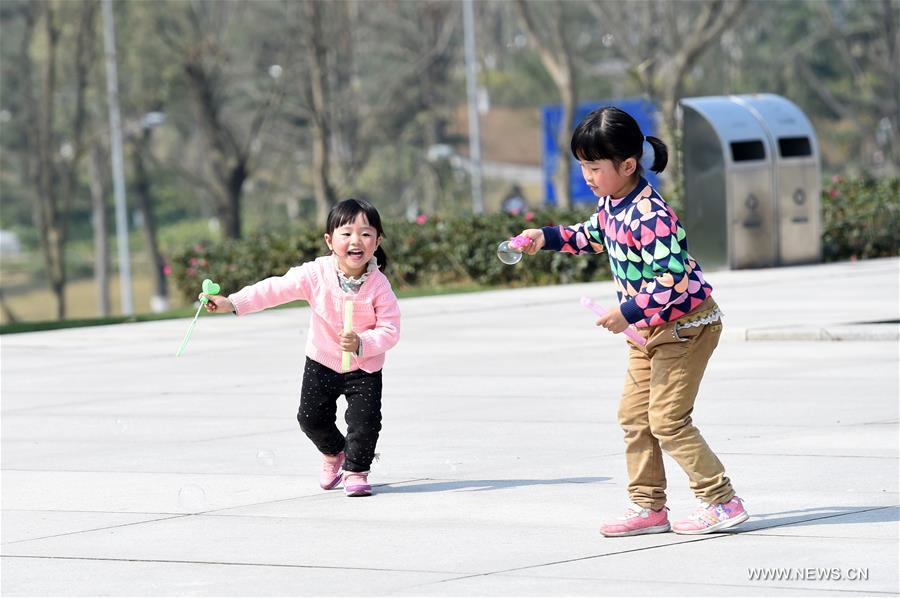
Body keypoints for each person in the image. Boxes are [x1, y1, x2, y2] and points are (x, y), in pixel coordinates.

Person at [516, 107, 749, 536]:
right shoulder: (612, 203)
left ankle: (721, 501)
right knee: (634, 417)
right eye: (582, 166)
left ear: (627, 165)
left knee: (667, 420)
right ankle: (648, 507)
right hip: (648, 331)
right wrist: (544, 238)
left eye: (594, 167)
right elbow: (591, 235)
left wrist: (627, 311)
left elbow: (674, 280)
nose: (587, 176)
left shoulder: (651, 214)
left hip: (687, 327)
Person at [201, 198, 400, 497]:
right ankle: (335, 453)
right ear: (329, 240)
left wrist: (363, 343)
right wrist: (233, 303)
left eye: (366, 233)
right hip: (323, 360)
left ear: (377, 240)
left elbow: (391, 329)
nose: (355, 241)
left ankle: (356, 471)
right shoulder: (315, 274)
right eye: (346, 234)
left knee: (365, 422)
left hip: (364, 366)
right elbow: (274, 289)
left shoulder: (379, 285)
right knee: (310, 418)